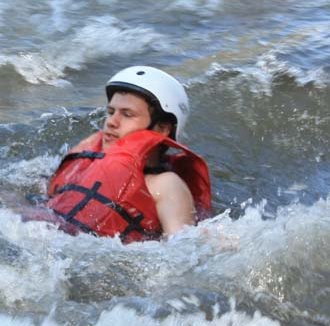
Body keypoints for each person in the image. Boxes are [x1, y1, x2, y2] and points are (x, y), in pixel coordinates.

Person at [43, 66, 212, 241]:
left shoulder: (166, 185)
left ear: (162, 128)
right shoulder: (86, 161)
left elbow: (181, 248)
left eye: (127, 114)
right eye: (110, 112)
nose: (111, 122)